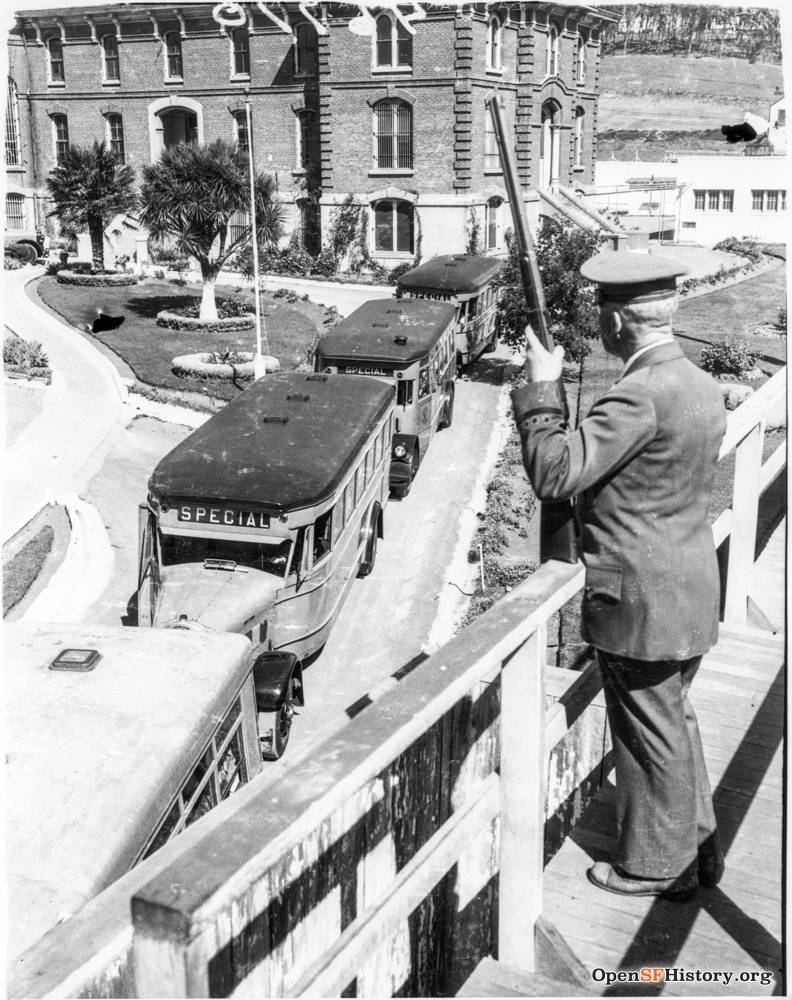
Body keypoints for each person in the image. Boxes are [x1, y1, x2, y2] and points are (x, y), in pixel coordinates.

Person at [511, 251, 727, 900]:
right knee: (671, 724)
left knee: (649, 737)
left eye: (602, 311)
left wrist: (542, 388)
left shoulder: (639, 394)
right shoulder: (696, 383)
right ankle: (698, 849)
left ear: (617, 322)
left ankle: (658, 867)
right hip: (685, 591)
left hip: (639, 603)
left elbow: (555, 472)